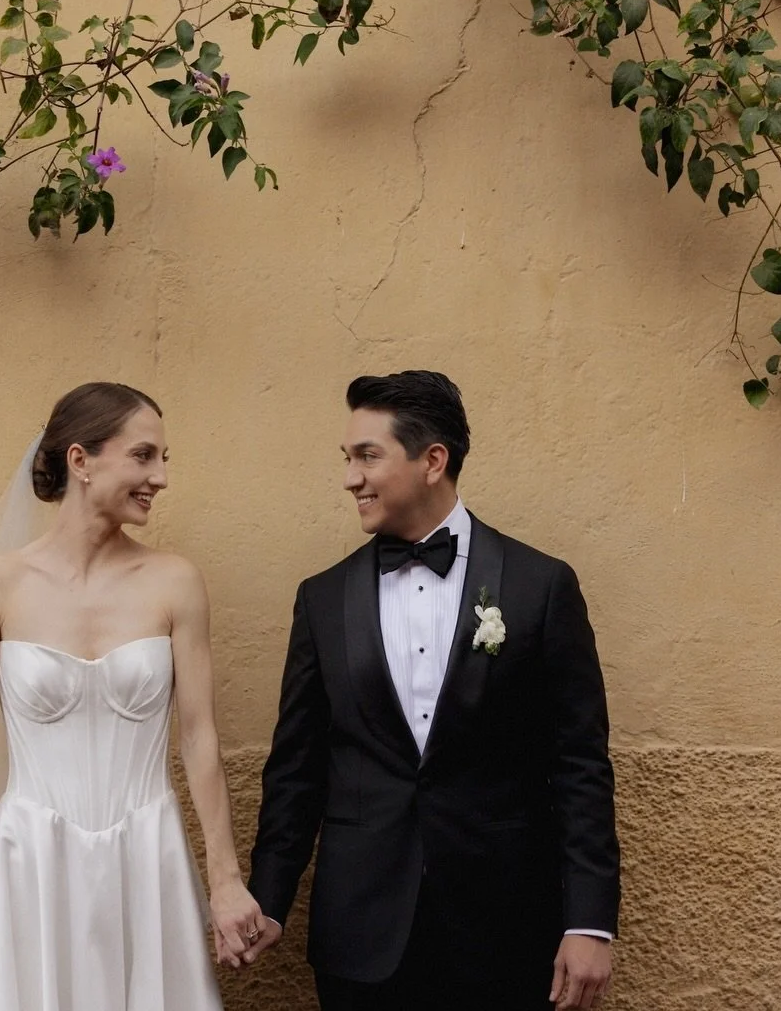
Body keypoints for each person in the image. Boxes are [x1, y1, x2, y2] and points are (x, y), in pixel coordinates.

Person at [245, 370, 621, 1011]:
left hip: (506, 929)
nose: (350, 478)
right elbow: (297, 769)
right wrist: (269, 900)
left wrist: (588, 921)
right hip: (361, 936)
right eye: (348, 458)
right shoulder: (323, 599)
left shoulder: (541, 586)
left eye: (368, 456)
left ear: (432, 461)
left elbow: (580, 765)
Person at [0, 382, 263, 1011]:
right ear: (81, 461)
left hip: (146, 857)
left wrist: (225, 881)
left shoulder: (176, 583)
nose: (159, 476)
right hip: (30, 865)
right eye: (143, 456)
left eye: (163, 460)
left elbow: (199, 738)